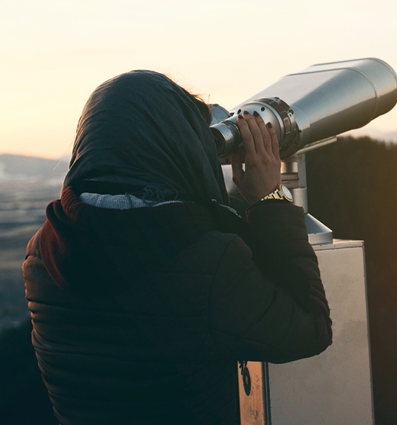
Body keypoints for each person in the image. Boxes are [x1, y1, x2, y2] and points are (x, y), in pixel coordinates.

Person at [22, 70, 332, 424]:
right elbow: (310, 329)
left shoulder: (42, 255)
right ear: (178, 147)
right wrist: (270, 200)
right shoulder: (210, 262)